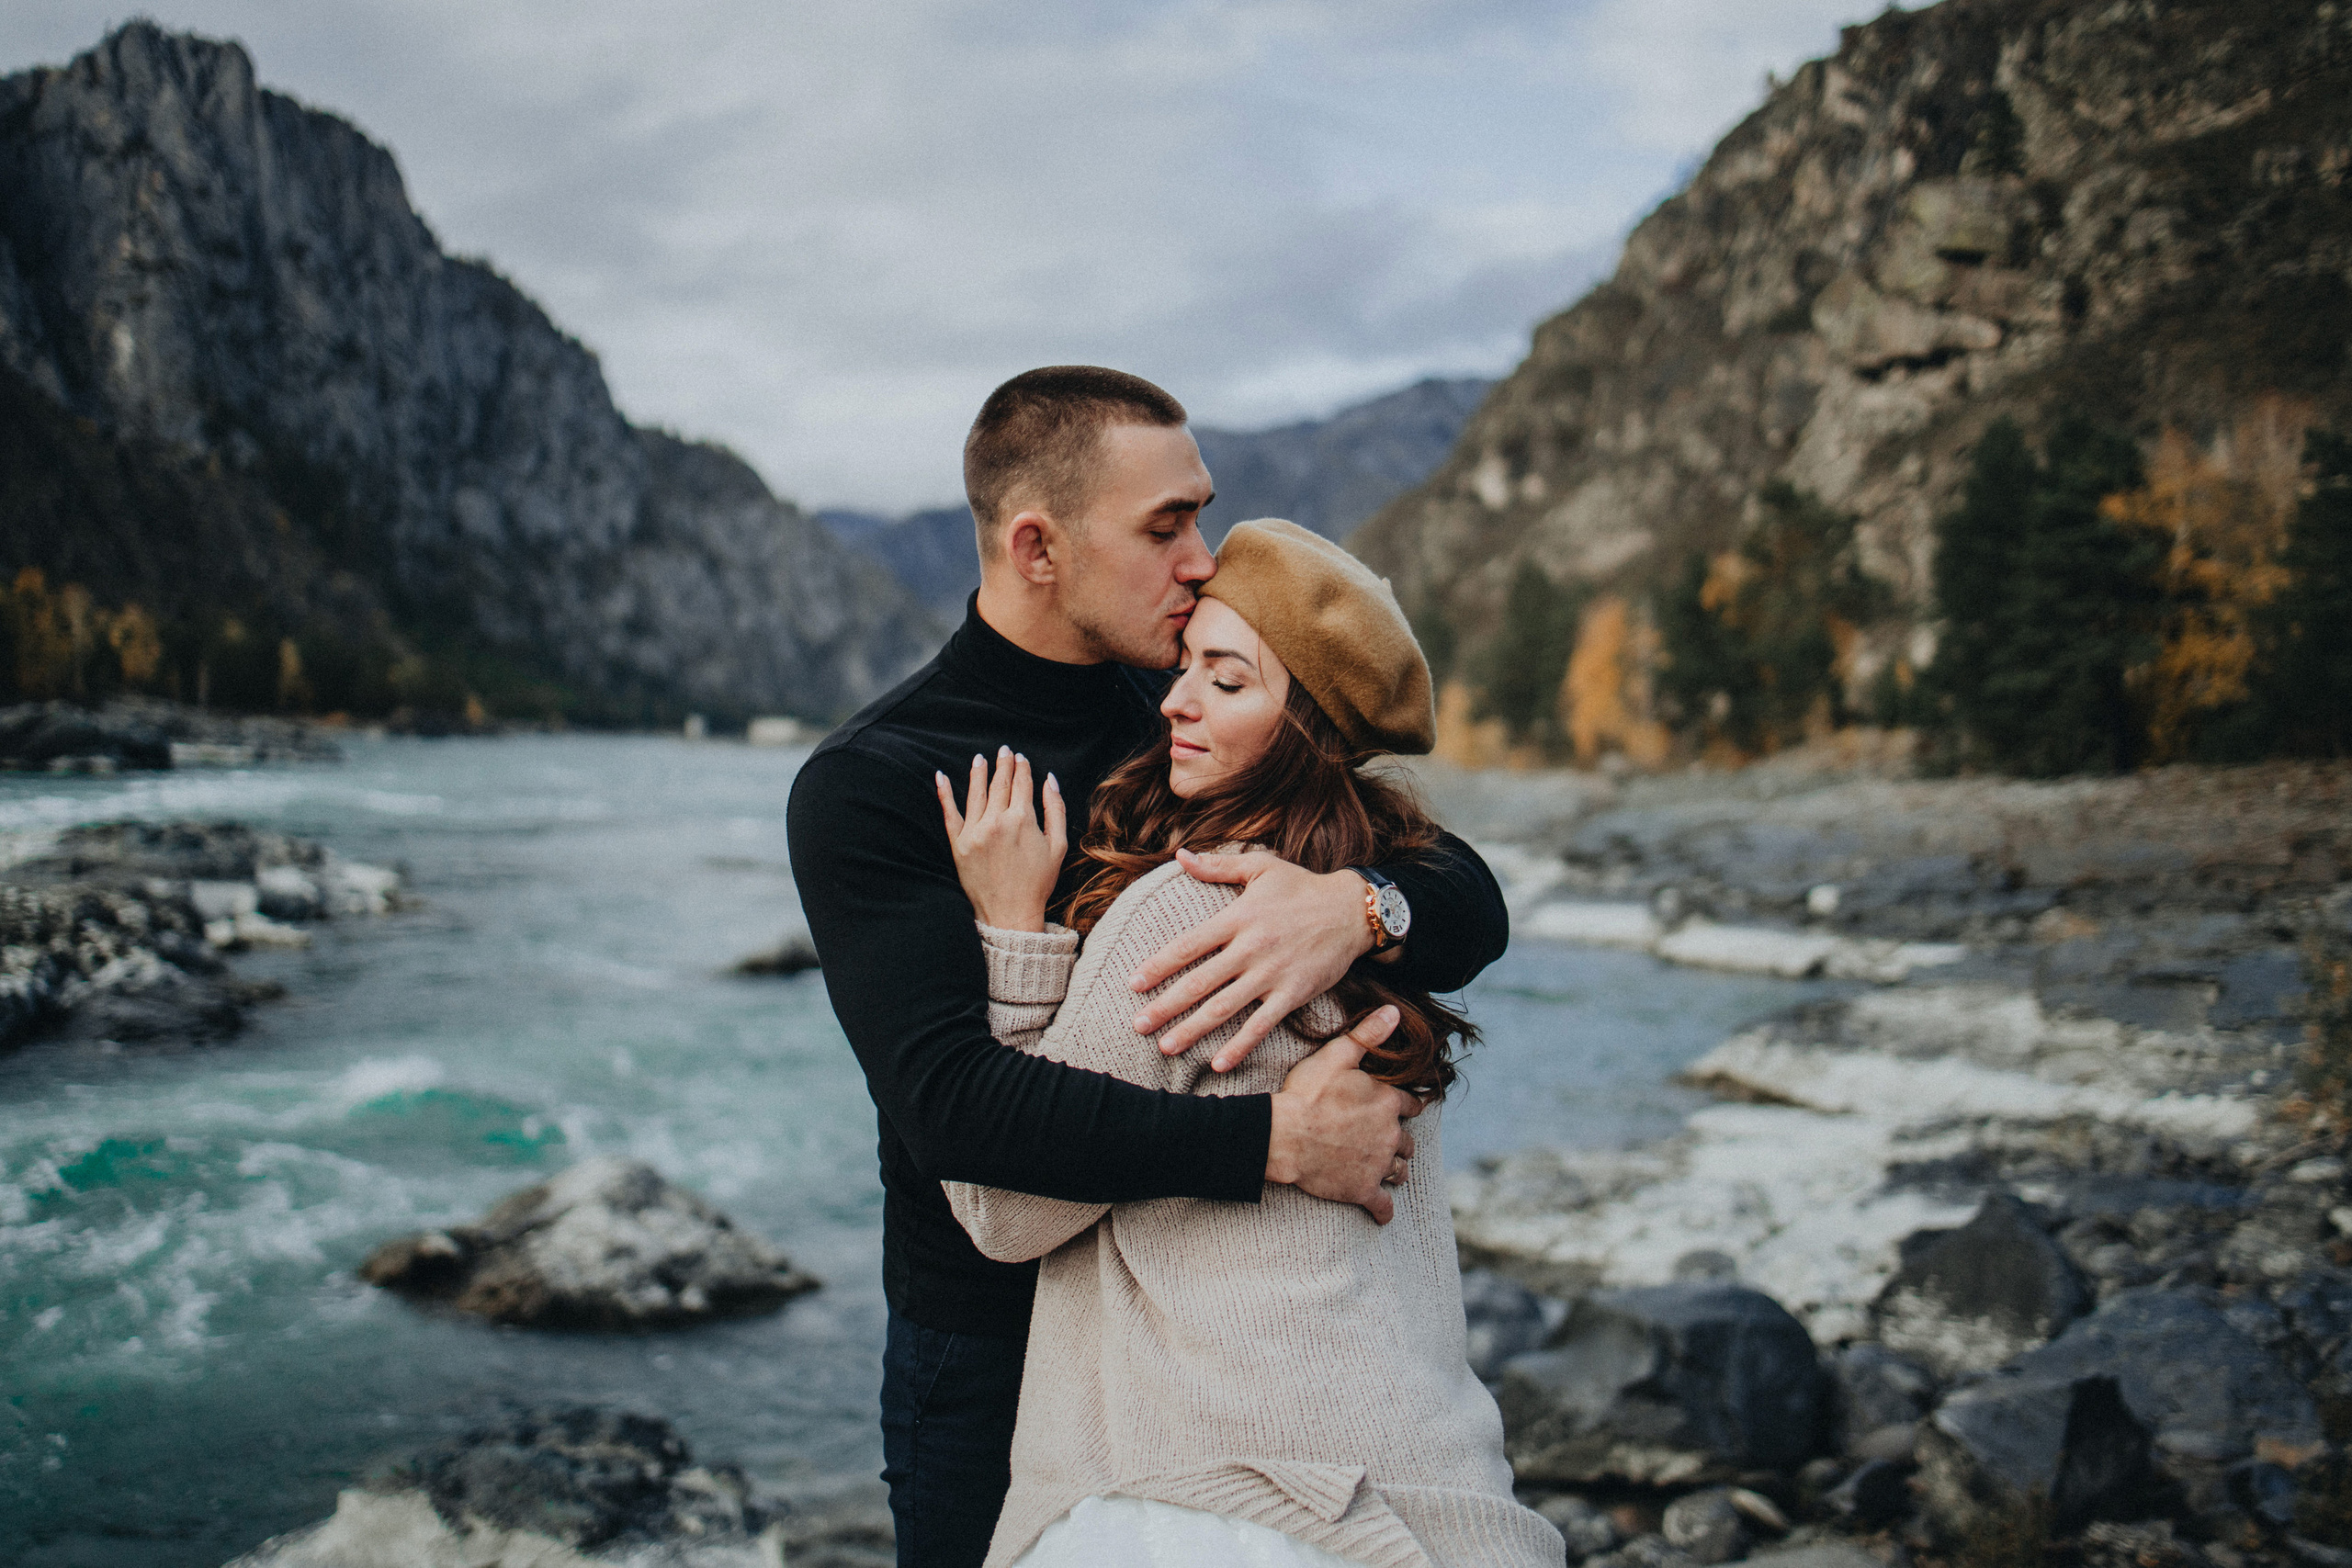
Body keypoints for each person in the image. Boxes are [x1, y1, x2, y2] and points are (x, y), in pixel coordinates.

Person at [786, 367, 1511, 1568]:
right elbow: (955, 1111)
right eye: (1165, 524)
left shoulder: (1193, 712)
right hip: (987, 1337)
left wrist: (1356, 907)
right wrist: (1276, 1140)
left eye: (1202, 514)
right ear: (1038, 545)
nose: (1201, 556)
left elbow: (1468, 900)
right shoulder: (874, 781)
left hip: (1202, 1335)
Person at [934, 518, 1561, 1568]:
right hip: (1423, 1468)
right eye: (1187, 667)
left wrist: (1011, 933)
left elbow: (1004, 1211)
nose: (1173, 700)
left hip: (1221, 1497)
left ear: (1303, 730)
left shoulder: (1193, 908)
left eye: (1225, 682)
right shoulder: (1356, 902)